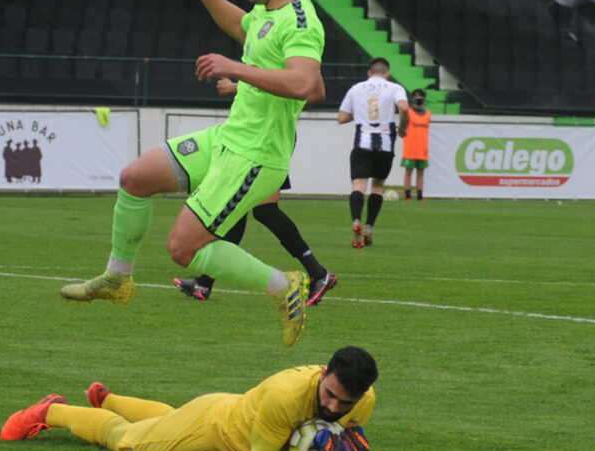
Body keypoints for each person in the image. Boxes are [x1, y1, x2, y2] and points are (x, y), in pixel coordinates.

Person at [58, 0, 325, 347]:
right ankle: (117, 278)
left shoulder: (301, 21)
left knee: (182, 249)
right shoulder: (265, 15)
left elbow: (306, 84)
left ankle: (284, 285)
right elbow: (239, 25)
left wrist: (234, 68)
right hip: (227, 138)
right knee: (135, 178)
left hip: (254, 156)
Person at [0, 346, 377, 451]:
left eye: (344, 403)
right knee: (124, 439)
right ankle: (51, 412)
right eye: (329, 394)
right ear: (323, 374)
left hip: (225, 407)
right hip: (210, 431)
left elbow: (342, 436)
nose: (333, 407)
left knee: (167, 418)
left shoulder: (365, 399)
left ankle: (107, 399)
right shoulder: (285, 395)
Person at [171, 83, 338, 303]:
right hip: (261, 133)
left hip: (270, 137)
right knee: (240, 211)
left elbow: (309, 89)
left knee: (265, 211)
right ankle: (204, 283)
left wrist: (235, 85)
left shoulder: (294, 64)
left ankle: (318, 272)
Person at [338, 57, 409, 248]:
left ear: (369, 73)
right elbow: (403, 107)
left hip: (362, 143)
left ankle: (356, 220)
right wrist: (403, 127)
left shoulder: (356, 89)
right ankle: (369, 227)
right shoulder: (394, 88)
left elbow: (342, 117)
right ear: (387, 73)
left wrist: (360, 113)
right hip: (385, 145)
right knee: (377, 187)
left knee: (358, 186)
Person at [400, 89, 431, 201]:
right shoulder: (408, 112)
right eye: (416, 96)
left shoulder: (428, 114)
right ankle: (408, 195)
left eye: (421, 96)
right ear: (412, 98)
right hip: (410, 147)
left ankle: (420, 195)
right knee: (408, 172)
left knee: (421, 172)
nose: (419, 98)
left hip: (423, 148)